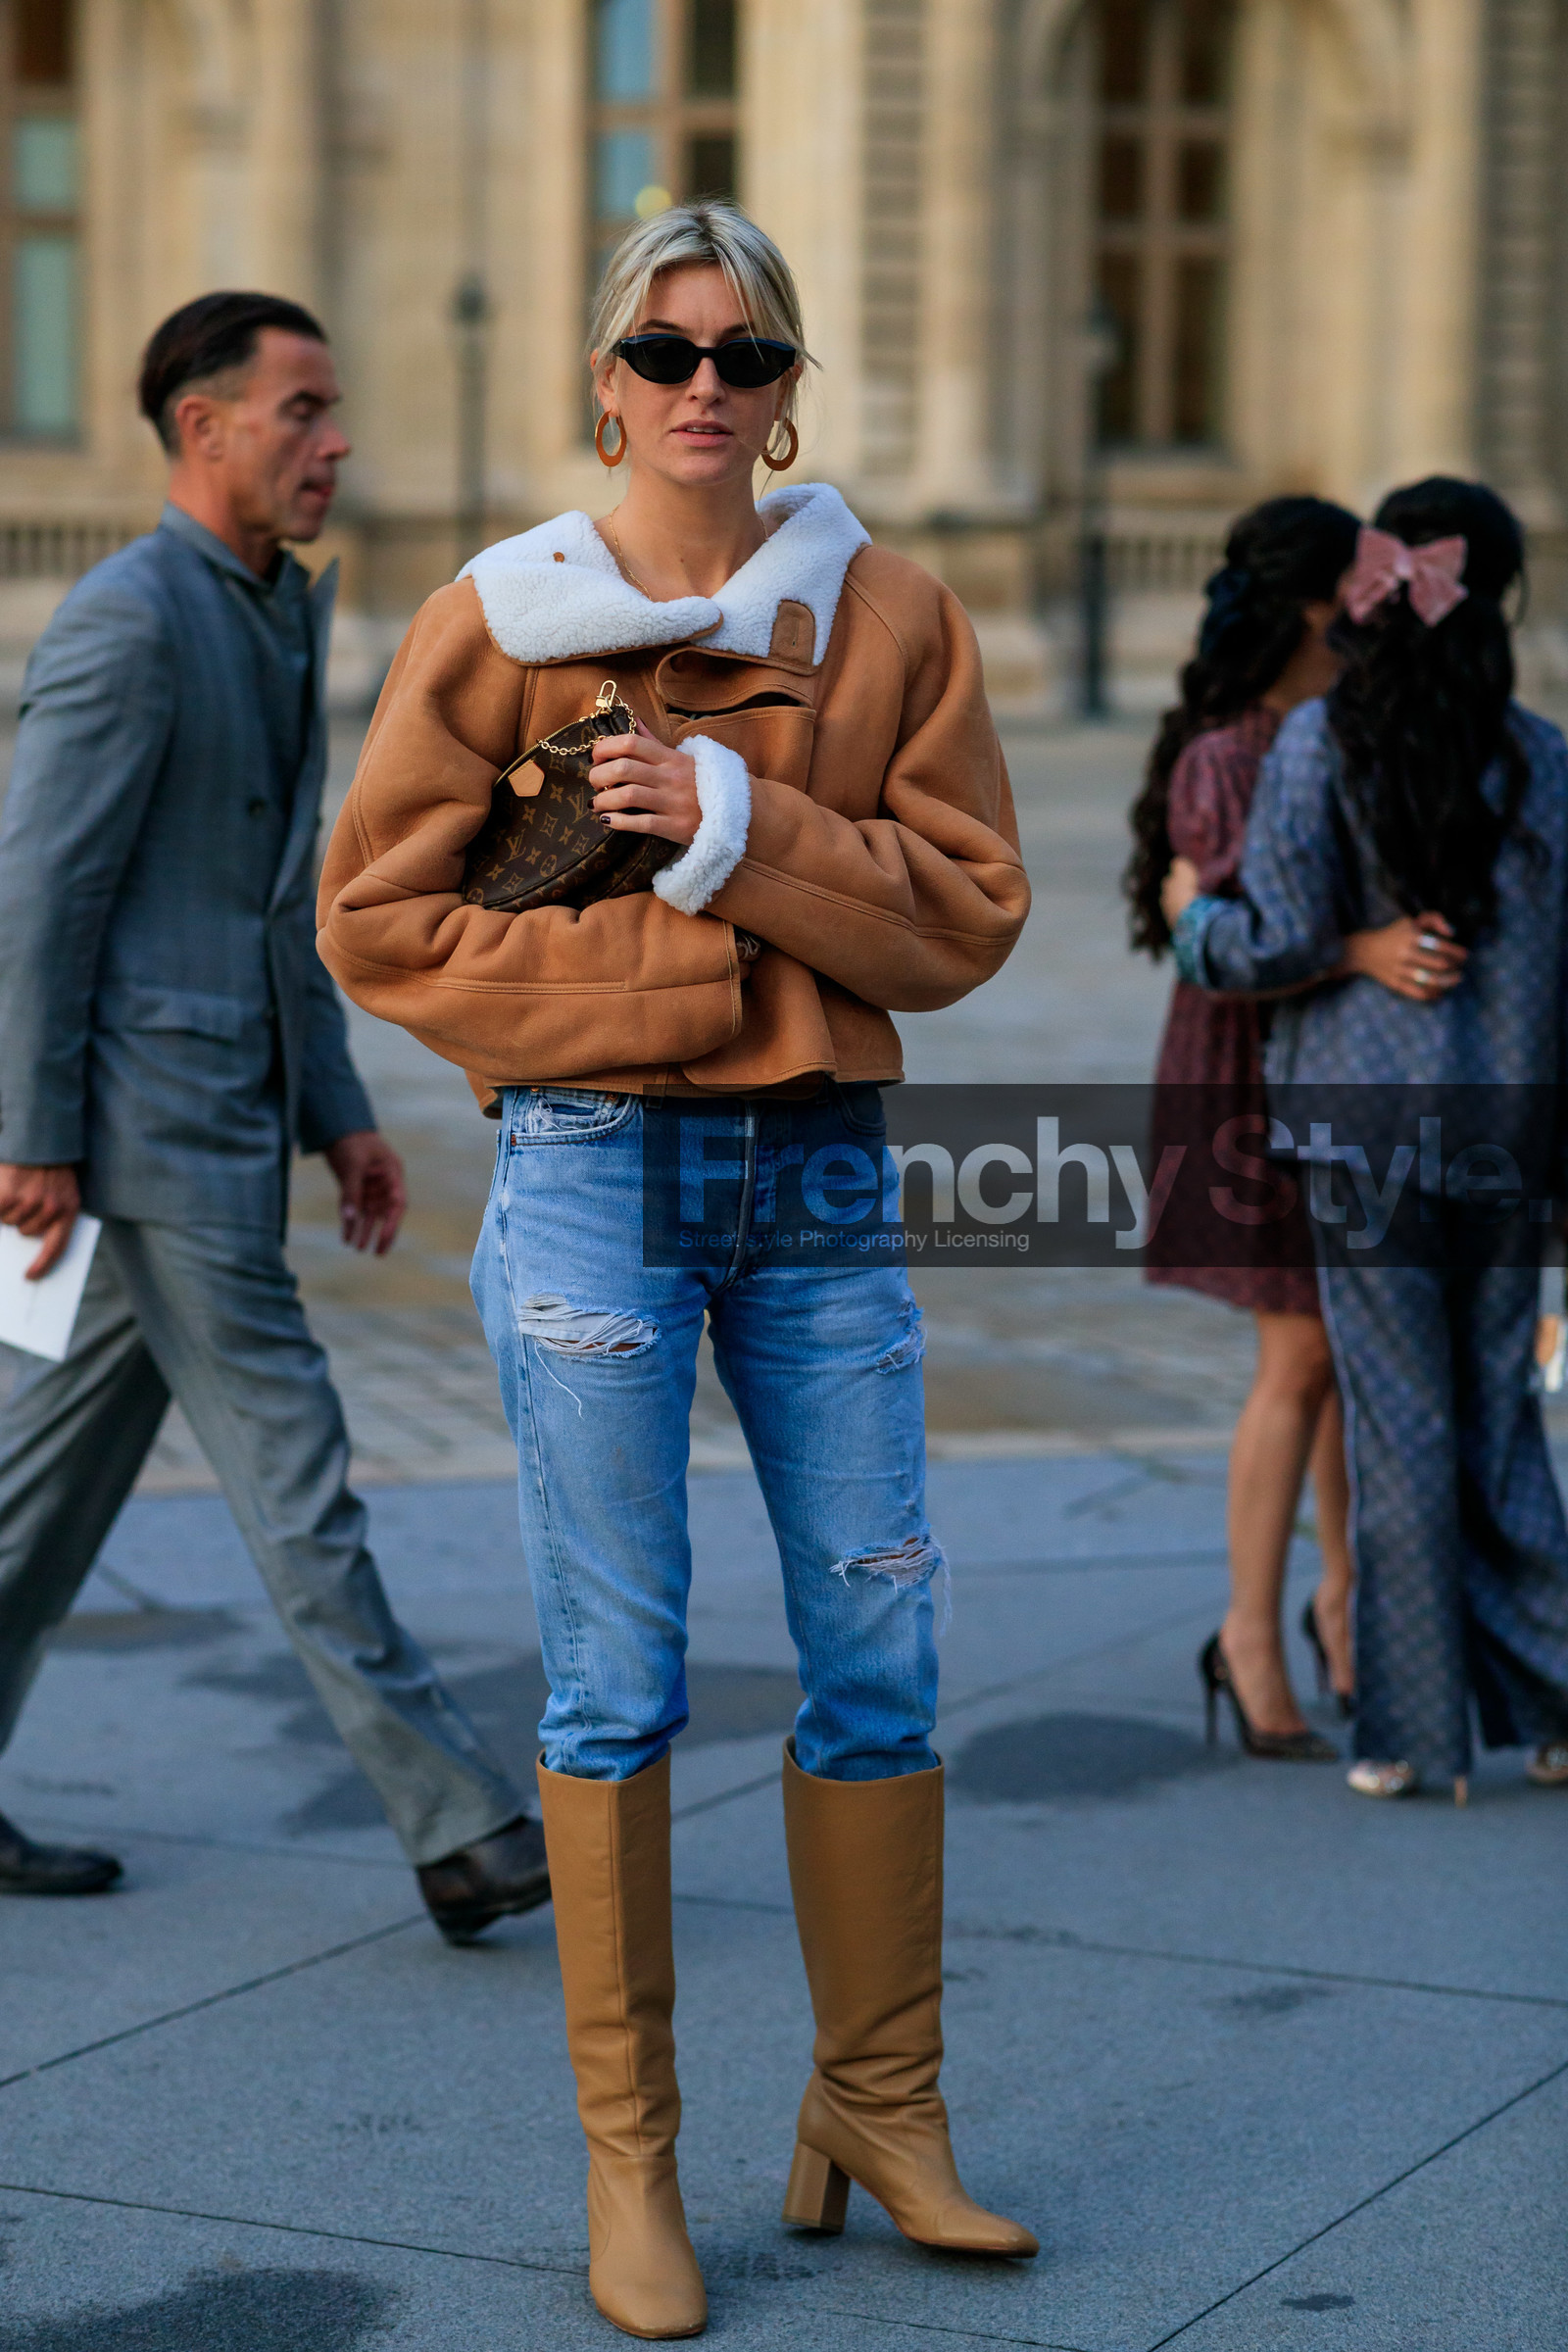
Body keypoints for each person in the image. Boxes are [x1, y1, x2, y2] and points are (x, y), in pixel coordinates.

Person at [318, 203, 1035, 2337]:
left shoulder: (889, 612)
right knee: (613, 1683)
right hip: (592, 1169)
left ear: (788, 379)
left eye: (741, 356)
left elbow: (966, 915)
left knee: (881, 1660)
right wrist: (689, 952)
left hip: (817, 1175)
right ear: (602, 379)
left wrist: (734, 815)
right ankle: (634, 2171)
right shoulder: (498, 619)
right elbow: (380, 924)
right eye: (662, 353)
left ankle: (877, 2108)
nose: (700, 392)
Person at [0, 291, 550, 1942]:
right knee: (297, 1464)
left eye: (332, 411)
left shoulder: (271, 612)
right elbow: (40, 890)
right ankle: (457, 1822)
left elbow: (272, 894)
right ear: (206, 426)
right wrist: (27, 1131)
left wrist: (338, 1106)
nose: (337, 442)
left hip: (227, 1109)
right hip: (146, 1131)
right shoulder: (130, 618)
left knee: (45, 1484)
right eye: (303, 410)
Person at [1163, 477, 1568, 1803]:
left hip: (1360, 1134)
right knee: (1502, 1419)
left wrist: (1189, 918)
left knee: (1398, 1424)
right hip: (1510, 1130)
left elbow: (1270, 943)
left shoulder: (1320, 745)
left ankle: (1410, 1735)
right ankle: (1556, 1707)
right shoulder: (1544, 758)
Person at [1126, 497, 1465, 1758]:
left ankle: (1339, 1607)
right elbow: (1237, 949)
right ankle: (1251, 1634)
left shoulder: (1349, 728)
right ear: (1319, 603)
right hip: (1251, 1063)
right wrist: (1368, 947)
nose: (1378, 602)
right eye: (1361, 586)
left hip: (1329, 1060)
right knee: (1302, 1357)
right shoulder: (1234, 751)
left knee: (1333, 1356)